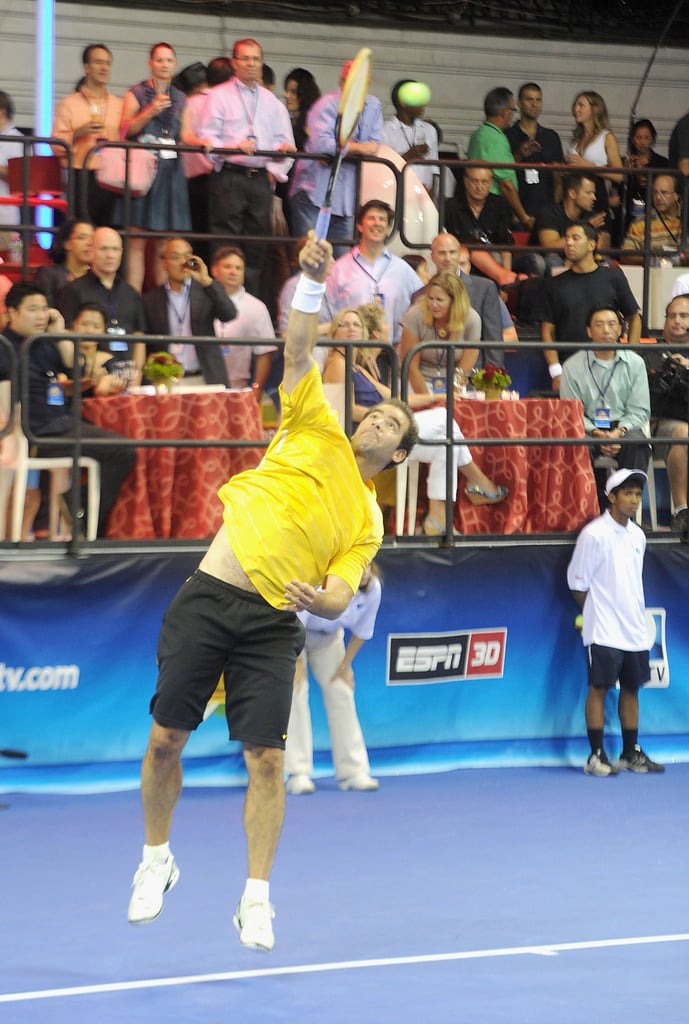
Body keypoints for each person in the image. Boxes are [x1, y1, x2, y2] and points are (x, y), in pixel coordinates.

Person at [126, 232, 419, 953]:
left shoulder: (367, 517)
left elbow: (343, 587)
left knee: (265, 759)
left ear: (399, 454)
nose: (376, 419)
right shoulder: (311, 423)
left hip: (271, 623)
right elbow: (295, 353)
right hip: (209, 594)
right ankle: (156, 859)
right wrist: (311, 285)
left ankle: (256, 897)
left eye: (392, 424)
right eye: (377, 412)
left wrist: (324, 603)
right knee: (166, 739)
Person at [325, 304, 507, 534]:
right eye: (344, 324)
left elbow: (396, 396)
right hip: (366, 438)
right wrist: (387, 417)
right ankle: (479, 482)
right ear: (334, 331)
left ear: (363, 331)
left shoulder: (356, 365)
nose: (351, 328)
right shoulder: (338, 364)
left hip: (388, 435)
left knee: (445, 444)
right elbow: (346, 411)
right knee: (443, 418)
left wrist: (439, 395)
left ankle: (437, 521)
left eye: (356, 324)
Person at [0, 283, 135, 538]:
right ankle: (86, 520)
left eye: (44, 309)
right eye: (32, 309)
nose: (41, 315)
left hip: (61, 424)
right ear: (12, 313)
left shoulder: (45, 341)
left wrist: (60, 332)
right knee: (122, 450)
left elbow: (77, 371)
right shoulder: (4, 347)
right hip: (35, 432)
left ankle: (77, 507)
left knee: (124, 447)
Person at [567, 467, 664, 777]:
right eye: (628, 494)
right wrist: (597, 612)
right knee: (599, 688)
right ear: (611, 497)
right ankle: (595, 755)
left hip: (635, 629)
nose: (635, 500)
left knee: (632, 689)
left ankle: (629, 752)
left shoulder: (638, 535)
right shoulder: (593, 534)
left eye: (638, 494)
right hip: (604, 629)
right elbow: (577, 583)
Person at [200, 37, 296, 297]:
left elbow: (286, 142)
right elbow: (207, 138)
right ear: (234, 63)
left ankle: (252, 302)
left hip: (260, 179)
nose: (251, 64)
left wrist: (275, 171)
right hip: (230, 176)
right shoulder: (218, 96)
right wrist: (232, 146)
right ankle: (221, 300)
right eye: (246, 58)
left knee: (257, 244)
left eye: (256, 59)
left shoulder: (271, 101)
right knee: (225, 242)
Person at [284, 561, 382, 794]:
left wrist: (345, 664)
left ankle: (353, 771)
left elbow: (362, 631)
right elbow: (294, 624)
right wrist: (296, 664)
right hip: (296, 634)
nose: (365, 571)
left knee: (342, 690)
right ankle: (298, 773)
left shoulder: (373, 588)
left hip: (329, 640)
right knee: (296, 691)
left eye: (368, 565)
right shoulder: (321, 584)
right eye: (360, 566)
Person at [120, 42, 207, 292]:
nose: (164, 65)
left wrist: (201, 143)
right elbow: (125, 130)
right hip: (143, 170)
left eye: (169, 60)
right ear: (150, 63)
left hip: (171, 171)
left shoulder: (181, 97)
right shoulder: (135, 92)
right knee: (136, 242)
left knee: (164, 244)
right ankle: (133, 302)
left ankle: (161, 302)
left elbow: (187, 134)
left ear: (175, 64)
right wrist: (149, 111)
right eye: (159, 60)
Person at [289, 58, 383, 256]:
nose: (358, 86)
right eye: (352, 81)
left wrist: (345, 149)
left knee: (341, 265)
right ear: (342, 81)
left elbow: (374, 146)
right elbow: (324, 146)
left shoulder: (373, 105)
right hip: (313, 193)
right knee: (310, 260)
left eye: (363, 82)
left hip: (347, 200)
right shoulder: (325, 104)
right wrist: (358, 148)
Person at [560, 304, 650, 508]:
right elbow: (571, 411)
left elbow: (639, 409)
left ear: (620, 329)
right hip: (589, 426)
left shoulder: (635, 363)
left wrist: (619, 432)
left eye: (612, 324)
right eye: (599, 325)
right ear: (589, 331)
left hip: (624, 425)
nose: (606, 330)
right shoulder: (572, 366)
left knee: (638, 445)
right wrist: (597, 433)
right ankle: (592, 510)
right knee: (577, 444)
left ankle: (627, 510)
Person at [538, 221, 641, 391]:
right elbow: (547, 330)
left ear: (592, 244)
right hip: (570, 367)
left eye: (576, 238)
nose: (569, 243)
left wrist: (630, 357)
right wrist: (556, 372)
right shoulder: (553, 285)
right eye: (567, 239)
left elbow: (634, 317)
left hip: (610, 367)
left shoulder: (614, 277)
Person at [325, 199, 423, 345]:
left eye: (383, 219)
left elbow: (423, 306)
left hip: (392, 353)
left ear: (388, 227)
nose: (377, 223)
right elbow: (326, 314)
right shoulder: (339, 269)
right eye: (371, 218)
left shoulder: (404, 270)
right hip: (349, 352)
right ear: (359, 225)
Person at [141, 236, 234, 386]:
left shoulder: (206, 291)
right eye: (176, 257)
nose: (182, 263)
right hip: (166, 380)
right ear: (164, 263)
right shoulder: (150, 300)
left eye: (187, 257)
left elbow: (229, 314)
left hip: (204, 377)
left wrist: (206, 281)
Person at [51, 45, 123, 225]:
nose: (104, 68)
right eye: (99, 62)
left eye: (108, 63)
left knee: (111, 231)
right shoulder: (68, 103)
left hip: (112, 175)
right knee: (83, 231)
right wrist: (78, 133)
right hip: (81, 174)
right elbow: (56, 145)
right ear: (86, 67)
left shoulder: (118, 104)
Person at [58, 226, 146, 373]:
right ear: (91, 251)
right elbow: (66, 334)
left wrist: (135, 377)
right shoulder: (73, 290)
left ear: (122, 253)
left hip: (129, 374)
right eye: (104, 249)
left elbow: (139, 337)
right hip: (92, 374)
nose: (110, 255)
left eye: (115, 249)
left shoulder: (130, 292)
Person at [642, 293, 689, 540]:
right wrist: (667, 372)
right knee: (683, 432)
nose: (677, 321)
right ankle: (682, 512)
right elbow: (647, 401)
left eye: (684, 316)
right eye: (672, 316)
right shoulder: (651, 353)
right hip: (659, 429)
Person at [427, 233, 504, 367]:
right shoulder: (421, 293)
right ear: (432, 257)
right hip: (430, 375)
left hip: (473, 376)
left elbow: (493, 339)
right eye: (442, 253)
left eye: (452, 252)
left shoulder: (484, 288)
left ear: (459, 255)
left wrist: (493, 378)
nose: (448, 258)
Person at [444, 165, 527, 288]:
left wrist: (506, 280)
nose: (479, 187)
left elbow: (505, 245)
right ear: (466, 181)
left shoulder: (500, 204)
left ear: (491, 183)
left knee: (535, 262)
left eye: (484, 182)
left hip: (497, 260)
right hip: (463, 262)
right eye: (474, 181)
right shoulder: (450, 206)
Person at [399, 271, 480, 393]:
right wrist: (427, 400)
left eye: (440, 300)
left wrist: (451, 397)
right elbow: (410, 367)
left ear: (454, 301)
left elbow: (464, 370)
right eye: (430, 298)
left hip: (453, 384)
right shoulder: (415, 315)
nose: (433, 304)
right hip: (417, 382)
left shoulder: (472, 319)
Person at [467, 86, 535, 232]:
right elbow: (506, 184)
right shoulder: (495, 139)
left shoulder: (479, 134)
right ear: (505, 112)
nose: (512, 115)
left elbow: (498, 164)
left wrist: (519, 155)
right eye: (513, 110)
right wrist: (524, 218)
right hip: (494, 207)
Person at [211, 246, 277, 394]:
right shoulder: (200, 301)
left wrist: (257, 389)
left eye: (238, 268)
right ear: (214, 270)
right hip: (203, 383)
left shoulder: (257, 307)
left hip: (238, 386)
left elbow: (265, 353)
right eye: (227, 267)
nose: (233, 272)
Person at [566, 91, 624, 250]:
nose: (576, 109)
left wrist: (586, 165)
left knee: (598, 245)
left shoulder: (607, 137)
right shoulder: (577, 139)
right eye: (575, 105)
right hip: (575, 197)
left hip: (597, 196)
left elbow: (619, 175)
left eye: (581, 105)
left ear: (595, 109)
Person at [504, 82, 565, 224]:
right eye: (529, 99)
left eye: (538, 100)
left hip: (546, 214)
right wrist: (519, 154)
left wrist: (554, 211)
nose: (534, 104)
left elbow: (558, 180)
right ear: (519, 103)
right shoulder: (507, 136)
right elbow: (502, 172)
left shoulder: (551, 137)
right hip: (515, 214)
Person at [530, 171, 605, 267]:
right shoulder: (550, 213)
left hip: (578, 258)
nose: (594, 198)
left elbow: (598, 248)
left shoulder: (591, 216)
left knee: (605, 262)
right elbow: (549, 248)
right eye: (588, 193)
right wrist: (586, 227)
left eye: (593, 193)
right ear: (572, 193)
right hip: (548, 261)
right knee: (554, 262)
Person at [382, 79, 440, 200]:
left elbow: (435, 170)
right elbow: (383, 172)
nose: (423, 104)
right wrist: (409, 155)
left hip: (424, 197)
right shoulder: (385, 131)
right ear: (403, 102)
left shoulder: (429, 130)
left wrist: (432, 200)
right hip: (395, 197)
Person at [282, 68, 321, 234]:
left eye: (293, 91)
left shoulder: (314, 121)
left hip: (304, 186)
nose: (287, 95)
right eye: (287, 90)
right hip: (287, 183)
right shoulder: (286, 118)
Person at [620, 173, 682, 264]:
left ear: (676, 195)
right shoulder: (640, 223)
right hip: (654, 275)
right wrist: (654, 260)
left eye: (664, 193)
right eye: (655, 192)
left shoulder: (685, 220)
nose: (658, 197)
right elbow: (625, 256)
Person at [34, 219, 94, 307]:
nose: (90, 243)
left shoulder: (96, 276)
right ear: (67, 244)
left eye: (93, 238)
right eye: (82, 237)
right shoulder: (49, 274)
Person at [623, 119, 669, 227]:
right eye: (638, 138)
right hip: (629, 212)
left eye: (646, 138)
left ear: (652, 139)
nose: (642, 142)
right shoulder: (625, 161)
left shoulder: (662, 162)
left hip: (655, 210)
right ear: (633, 139)